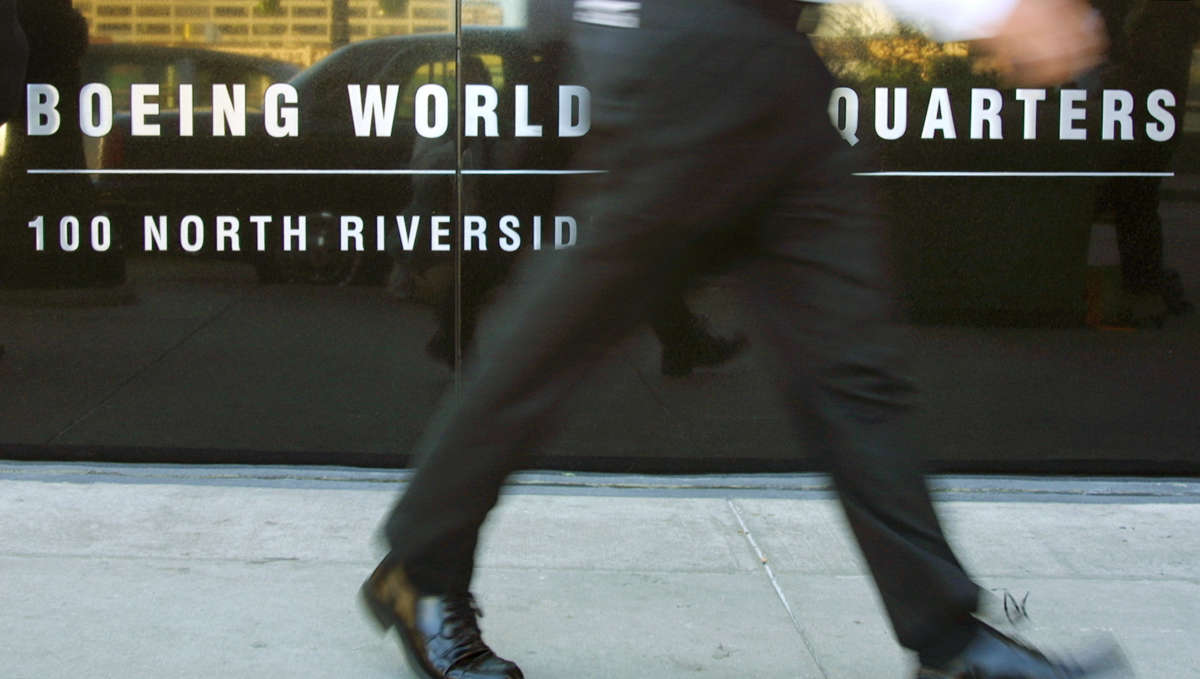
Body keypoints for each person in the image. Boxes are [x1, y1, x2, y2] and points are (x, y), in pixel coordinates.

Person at [360, 1, 1121, 678]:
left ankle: (949, 639)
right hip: (685, 54)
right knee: (555, 344)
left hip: (769, 65)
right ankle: (420, 567)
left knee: (852, 370)